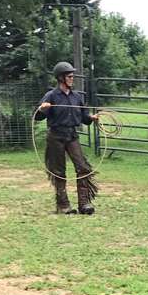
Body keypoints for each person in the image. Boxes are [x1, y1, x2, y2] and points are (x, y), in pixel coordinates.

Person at [36, 62, 101, 215]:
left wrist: (92, 118)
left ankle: (84, 203)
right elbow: (38, 116)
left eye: (72, 76)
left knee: (83, 168)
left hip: (72, 136)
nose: (72, 79)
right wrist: (42, 109)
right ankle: (63, 205)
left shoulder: (76, 97)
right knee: (58, 171)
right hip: (56, 136)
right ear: (61, 78)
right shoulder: (51, 95)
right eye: (70, 76)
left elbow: (84, 118)